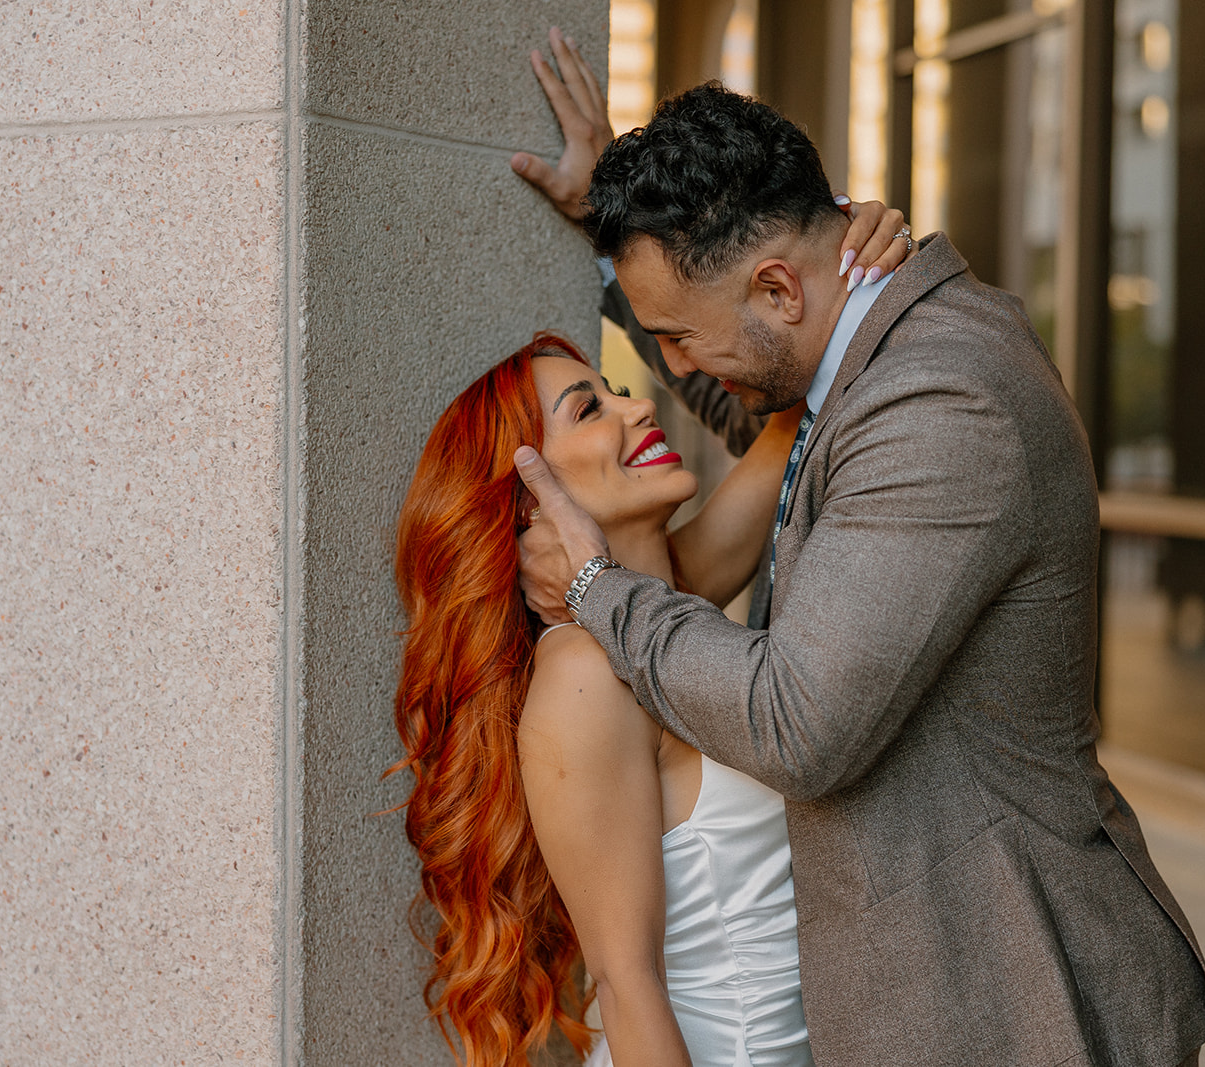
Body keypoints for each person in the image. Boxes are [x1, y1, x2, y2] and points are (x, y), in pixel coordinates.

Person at [512, 52, 1205, 1067]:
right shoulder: (857, 348)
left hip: (1009, 993)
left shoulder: (940, 400)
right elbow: (748, 388)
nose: (666, 374)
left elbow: (794, 725)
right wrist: (606, 220)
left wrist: (596, 586)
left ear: (777, 286)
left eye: (674, 338)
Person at [388, 161, 911, 1066]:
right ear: (523, 502)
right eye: (590, 406)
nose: (636, 406)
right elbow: (630, 1000)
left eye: (613, 385)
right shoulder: (586, 679)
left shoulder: (667, 598)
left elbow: (802, 382)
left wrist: (848, 236)